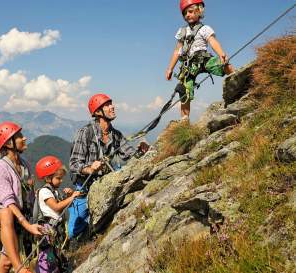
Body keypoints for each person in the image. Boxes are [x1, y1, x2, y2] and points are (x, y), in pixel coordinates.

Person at [68, 93, 149, 240]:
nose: (112, 107)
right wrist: (90, 169)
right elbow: (74, 164)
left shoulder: (115, 135)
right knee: (73, 233)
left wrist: (141, 151)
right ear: (98, 112)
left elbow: (130, 155)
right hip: (85, 188)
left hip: (105, 184)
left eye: (111, 104)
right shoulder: (86, 133)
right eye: (107, 105)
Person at [0, 121, 44, 273]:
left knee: (5, 264)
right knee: (6, 212)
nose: (24, 138)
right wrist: (27, 225)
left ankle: (15, 265)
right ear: (8, 143)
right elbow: (9, 202)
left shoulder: (25, 165)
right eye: (19, 136)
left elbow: (28, 196)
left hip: (19, 218)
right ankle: (19, 268)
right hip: (2, 216)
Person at [165, 0, 235, 121]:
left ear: (199, 11)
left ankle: (236, 77)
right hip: (188, 66)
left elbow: (212, 41)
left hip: (203, 59)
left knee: (222, 64)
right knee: (184, 90)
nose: (188, 15)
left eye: (191, 11)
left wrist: (221, 54)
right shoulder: (182, 32)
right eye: (185, 13)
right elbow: (177, 51)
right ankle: (184, 119)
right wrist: (170, 68)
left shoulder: (204, 29)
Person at [34, 156, 82, 273]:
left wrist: (68, 196)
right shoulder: (45, 192)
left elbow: (62, 207)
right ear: (47, 178)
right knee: (46, 258)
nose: (61, 181)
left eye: (61, 178)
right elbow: (56, 207)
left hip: (54, 230)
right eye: (58, 178)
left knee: (54, 257)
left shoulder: (54, 191)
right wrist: (71, 198)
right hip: (47, 230)